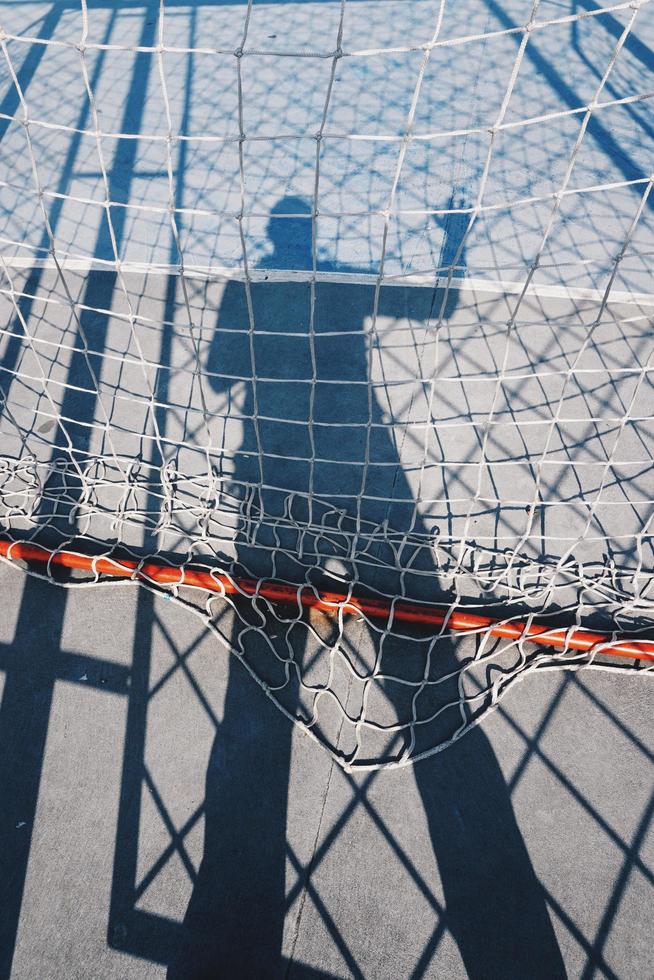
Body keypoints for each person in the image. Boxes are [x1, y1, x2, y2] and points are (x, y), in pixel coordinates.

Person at [169, 197, 565, 978]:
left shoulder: (248, 285)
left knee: (257, 679)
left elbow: (218, 376)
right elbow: (435, 304)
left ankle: (221, 935)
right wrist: (450, 238)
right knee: (420, 656)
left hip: (274, 461)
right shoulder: (339, 277)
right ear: (309, 235)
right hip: (365, 453)